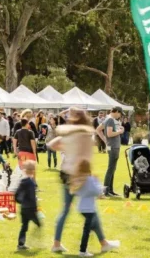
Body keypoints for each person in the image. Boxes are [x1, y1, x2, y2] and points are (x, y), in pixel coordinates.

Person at [48, 107, 95, 253]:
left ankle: (56, 243)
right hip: (78, 175)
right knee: (90, 211)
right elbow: (86, 155)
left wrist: (66, 148)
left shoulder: (68, 134)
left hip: (65, 173)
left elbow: (51, 144)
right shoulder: (85, 135)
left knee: (66, 209)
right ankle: (94, 245)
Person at [76, 161, 120, 257]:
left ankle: (105, 244)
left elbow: (77, 193)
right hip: (89, 209)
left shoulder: (79, 180)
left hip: (82, 208)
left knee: (95, 224)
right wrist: (98, 185)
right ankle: (82, 251)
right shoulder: (90, 179)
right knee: (87, 230)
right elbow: (96, 191)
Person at [98, 107, 124, 197]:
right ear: (116, 112)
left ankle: (110, 190)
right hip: (113, 147)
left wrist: (105, 141)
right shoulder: (110, 120)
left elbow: (98, 130)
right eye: (120, 113)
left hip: (112, 146)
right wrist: (119, 132)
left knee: (112, 168)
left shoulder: (108, 119)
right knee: (111, 168)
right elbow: (109, 134)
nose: (120, 116)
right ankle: (106, 190)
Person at [15, 160, 40, 251]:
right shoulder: (31, 182)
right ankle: (35, 241)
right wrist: (35, 207)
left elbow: (17, 194)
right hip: (30, 208)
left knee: (24, 226)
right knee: (39, 224)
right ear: (33, 170)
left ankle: (20, 245)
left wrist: (20, 202)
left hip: (24, 208)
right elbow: (32, 197)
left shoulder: (23, 181)